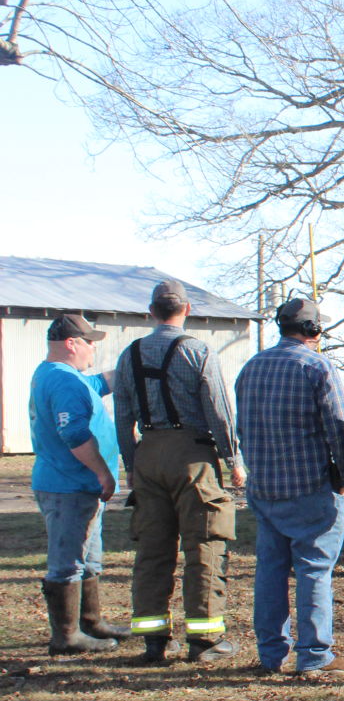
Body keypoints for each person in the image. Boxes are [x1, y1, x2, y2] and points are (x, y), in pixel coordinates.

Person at [113, 279, 245, 665]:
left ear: (151, 312)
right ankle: (205, 640)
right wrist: (233, 460)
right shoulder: (198, 351)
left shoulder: (130, 354)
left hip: (148, 453)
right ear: (186, 310)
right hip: (193, 456)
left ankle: (154, 641)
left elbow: (122, 416)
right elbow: (218, 409)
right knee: (203, 545)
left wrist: (130, 466)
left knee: (152, 551)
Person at [235, 298, 344, 679]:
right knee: (314, 571)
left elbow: (242, 428)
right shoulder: (317, 366)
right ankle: (314, 655)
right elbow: (339, 427)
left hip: (265, 488)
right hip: (311, 489)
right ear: (313, 330)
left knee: (270, 570)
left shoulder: (251, 367)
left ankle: (271, 654)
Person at [29, 313, 130, 655]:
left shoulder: (65, 376)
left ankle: (91, 622)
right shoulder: (64, 381)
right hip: (68, 485)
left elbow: (100, 384)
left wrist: (132, 365)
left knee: (89, 559)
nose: (93, 350)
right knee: (68, 561)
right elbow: (73, 433)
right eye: (89, 343)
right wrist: (103, 472)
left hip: (75, 486)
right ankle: (67, 636)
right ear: (71, 344)